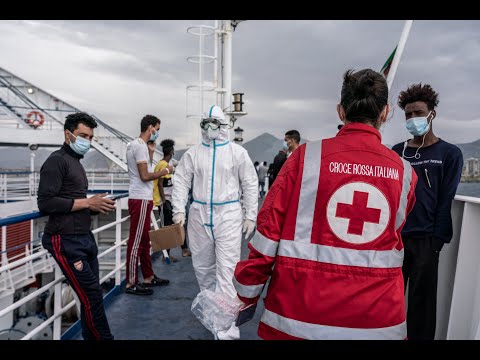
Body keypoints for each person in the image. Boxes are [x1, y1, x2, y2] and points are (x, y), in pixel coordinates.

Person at [232, 68, 418, 340]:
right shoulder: (404, 173)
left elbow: (268, 234)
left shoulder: (304, 159)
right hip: (377, 322)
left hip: (298, 318)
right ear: (385, 113)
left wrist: (245, 295)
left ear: (341, 111)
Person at [171, 105, 258, 340]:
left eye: (214, 123)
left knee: (227, 270)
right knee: (203, 270)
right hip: (199, 214)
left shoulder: (237, 153)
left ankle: (228, 330)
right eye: (206, 123)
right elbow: (180, 182)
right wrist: (179, 211)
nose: (210, 127)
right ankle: (214, 318)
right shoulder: (193, 153)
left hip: (228, 214)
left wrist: (251, 214)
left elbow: (250, 183)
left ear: (222, 126)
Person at [392, 83, 464, 340]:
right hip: (395, 241)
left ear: (432, 114)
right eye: (408, 114)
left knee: (422, 305)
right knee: (390, 301)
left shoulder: (449, 153)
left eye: (418, 113)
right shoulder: (396, 152)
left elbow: (446, 199)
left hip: (426, 240)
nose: (413, 119)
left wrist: (437, 240)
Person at [38, 112, 116, 340]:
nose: (88, 141)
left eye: (91, 137)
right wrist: (87, 202)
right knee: (91, 295)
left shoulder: (76, 163)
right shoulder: (56, 161)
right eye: (83, 135)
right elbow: (46, 202)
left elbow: (72, 199)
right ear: (68, 134)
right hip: (65, 240)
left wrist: (95, 205)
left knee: (93, 295)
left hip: (84, 237)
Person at [125, 115, 173, 295]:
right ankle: (131, 283)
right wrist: (166, 170)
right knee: (136, 242)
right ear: (150, 127)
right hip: (140, 198)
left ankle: (148, 276)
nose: (157, 133)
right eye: (157, 129)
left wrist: (151, 152)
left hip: (143, 198)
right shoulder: (138, 146)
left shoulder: (139, 146)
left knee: (145, 241)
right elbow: (144, 176)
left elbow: (144, 172)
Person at [153, 138, 191, 259]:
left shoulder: (164, 164)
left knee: (178, 224)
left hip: (170, 201)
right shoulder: (163, 165)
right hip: (165, 202)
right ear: (172, 152)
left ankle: (184, 249)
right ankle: (166, 255)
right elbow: (160, 183)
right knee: (167, 228)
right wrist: (164, 201)